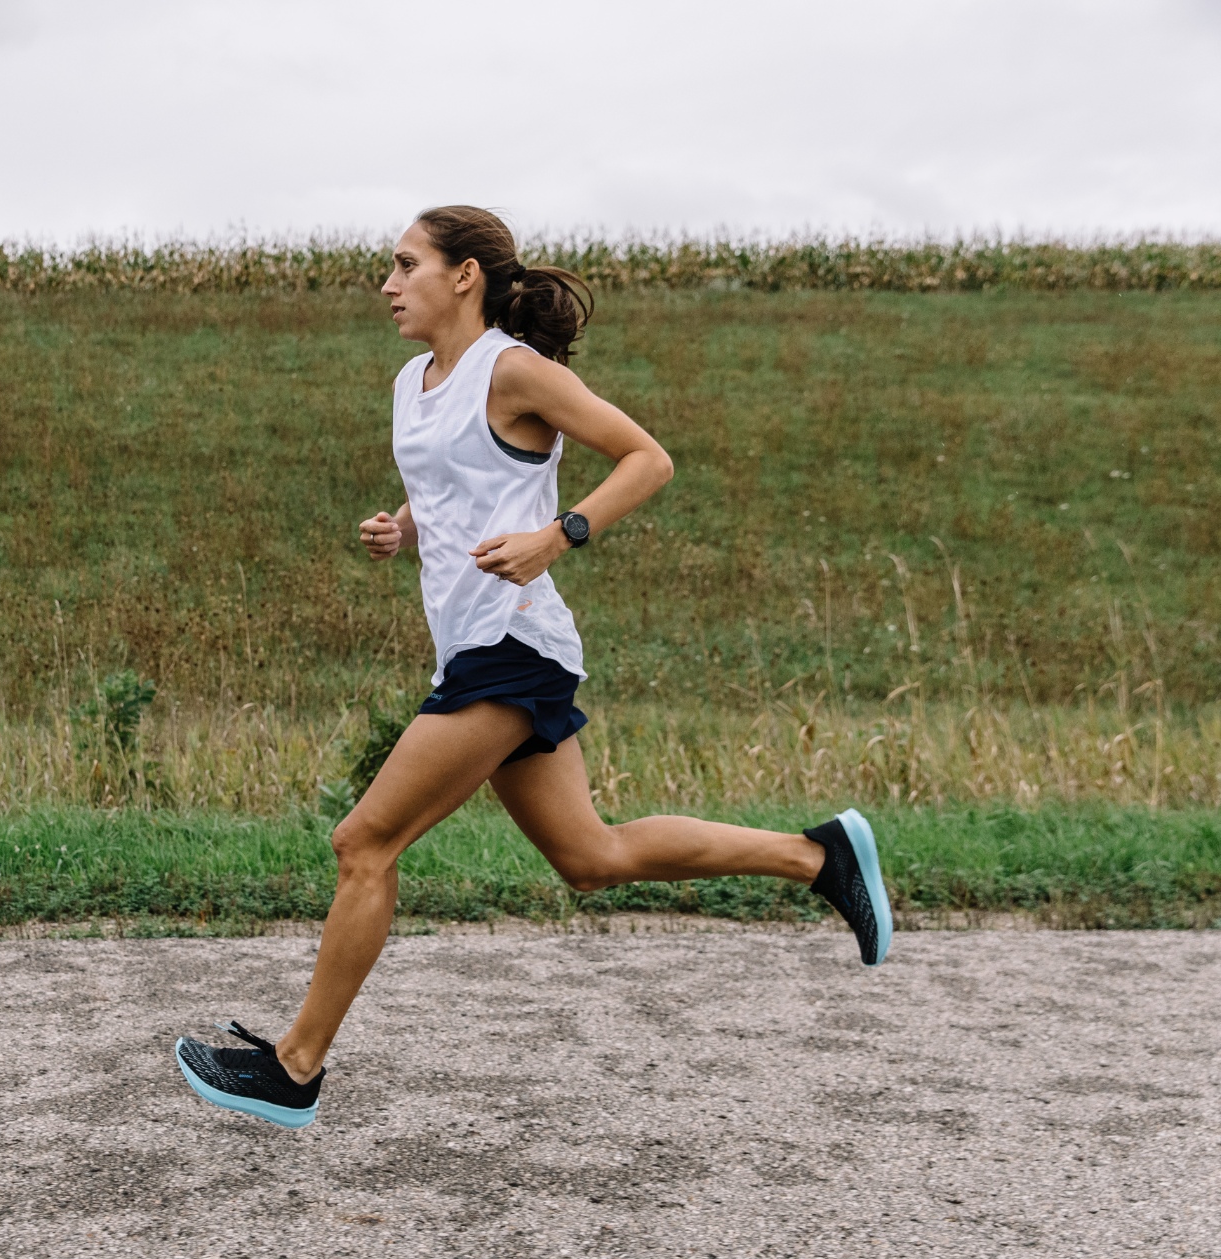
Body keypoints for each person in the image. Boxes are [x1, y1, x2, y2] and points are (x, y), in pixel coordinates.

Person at [174, 206, 890, 1130]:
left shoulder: (516, 369)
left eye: (405, 265)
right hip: (476, 647)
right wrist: (406, 526)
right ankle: (817, 854)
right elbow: (453, 479)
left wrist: (559, 535)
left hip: (513, 645)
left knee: (364, 842)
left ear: (463, 275)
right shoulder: (412, 381)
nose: (387, 285)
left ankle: (294, 1068)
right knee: (591, 857)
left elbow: (647, 458)